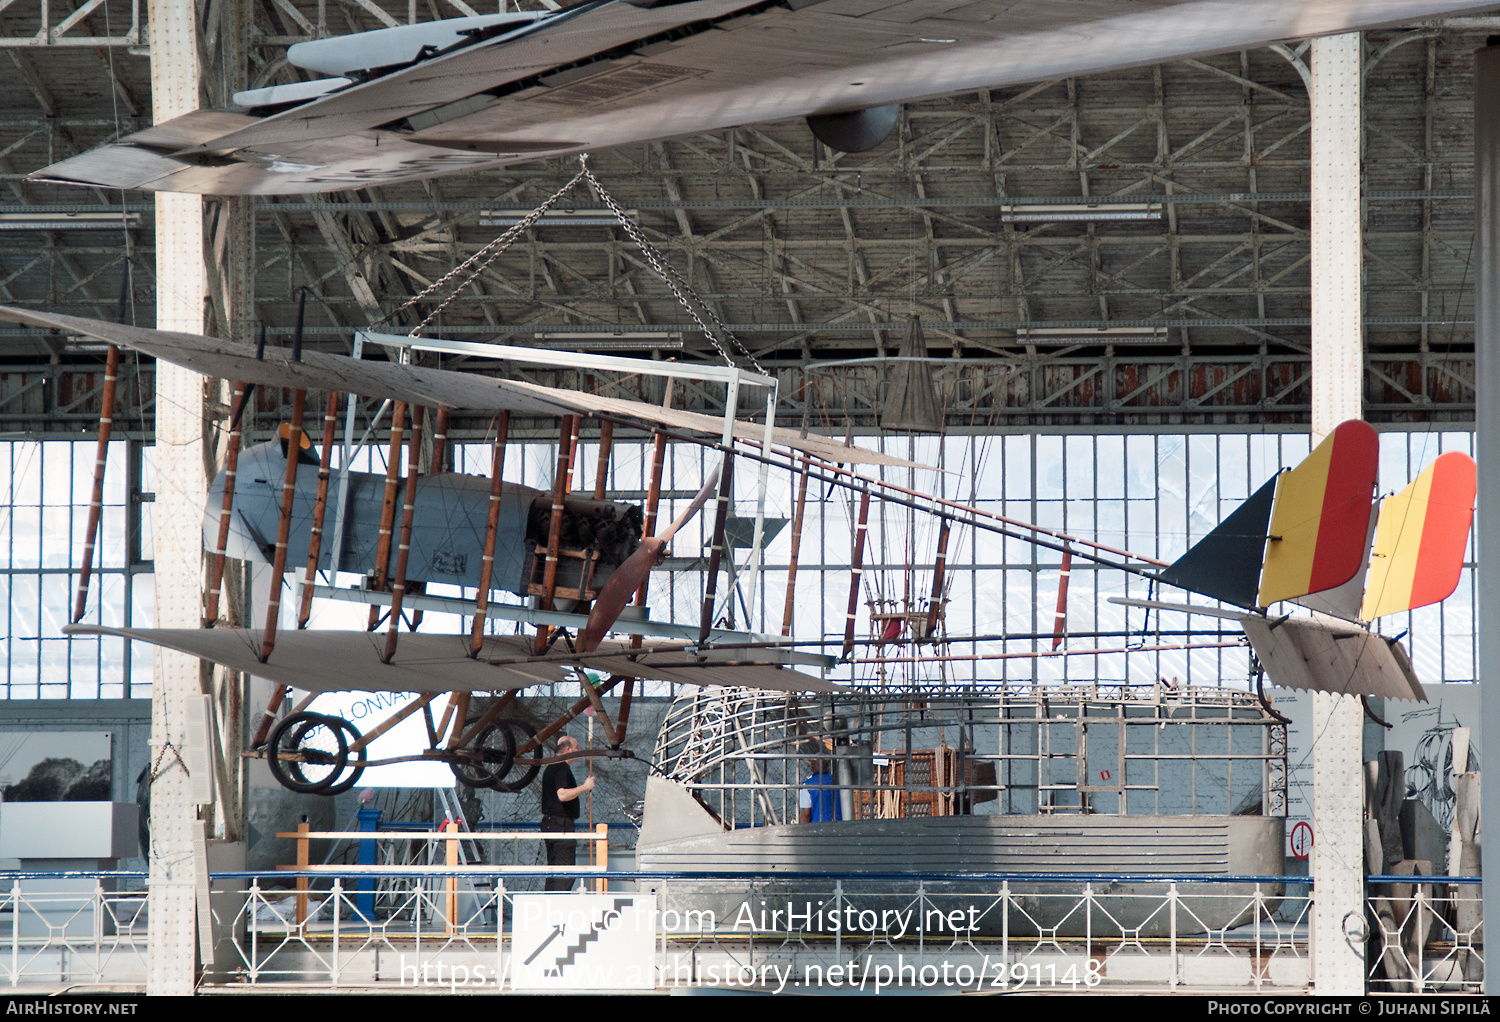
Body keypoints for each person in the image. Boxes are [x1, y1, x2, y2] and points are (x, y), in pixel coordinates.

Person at [540, 734, 594, 891]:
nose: (579, 750)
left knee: (555, 870)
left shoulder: (551, 767)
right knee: (565, 871)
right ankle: (557, 906)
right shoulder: (561, 767)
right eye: (577, 747)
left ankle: (550, 905)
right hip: (560, 825)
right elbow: (562, 795)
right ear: (569, 749)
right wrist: (585, 787)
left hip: (552, 823)